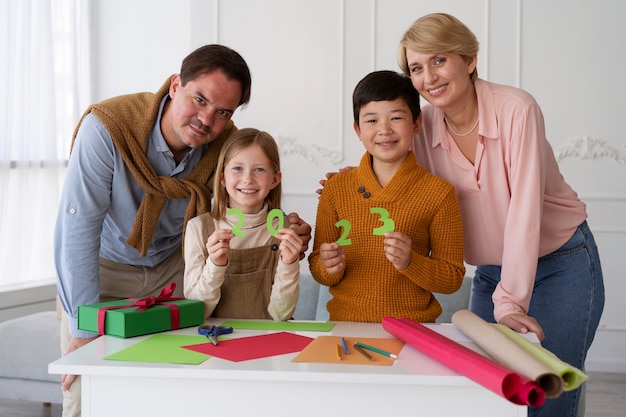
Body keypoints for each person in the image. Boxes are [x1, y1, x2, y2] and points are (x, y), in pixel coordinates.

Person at [54, 44, 311, 417]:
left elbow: (245, 199)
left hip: (174, 271)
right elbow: (77, 229)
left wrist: (289, 226)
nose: (207, 119)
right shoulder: (108, 127)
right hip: (104, 269)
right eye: (199, 99)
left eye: (222, 112)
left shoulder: (224, 142)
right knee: (85, 390)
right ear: (176, 85)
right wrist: (82, 325)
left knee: (171, 391)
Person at [396, 12, 605, 417]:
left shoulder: (517, 109)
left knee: (550, 396)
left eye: (439, 60)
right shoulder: (422, 128)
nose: (428, 77)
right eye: (416, 68)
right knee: (485, 395)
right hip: (493, 269)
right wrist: (359, 177)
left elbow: (524, 210)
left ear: (470, 59)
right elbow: (401, 180)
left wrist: (509, 304)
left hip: (561, 264)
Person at [309, 70, 465, 323]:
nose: (384, 130)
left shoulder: (439, 193)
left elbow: (452, 278)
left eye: (396, 118)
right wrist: (328, 267)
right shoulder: (336, 189)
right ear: (358, 129)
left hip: (414, 330)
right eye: (371, 121)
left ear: (416, 123)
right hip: (344, 328)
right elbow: (318, 266)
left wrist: (410, 262)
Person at [183, 128, 301, 320]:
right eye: (237, 168)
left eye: (259, 170)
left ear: (275, 180)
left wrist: (289, 264)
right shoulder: (198, 228)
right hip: (215, 340)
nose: (248, 179)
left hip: (270, 341)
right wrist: (215, 264)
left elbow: (282, 315)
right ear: (222, 177)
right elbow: (198, 311)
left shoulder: (285, 229)